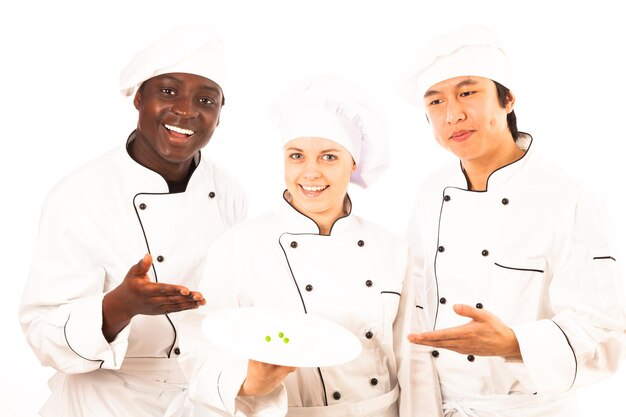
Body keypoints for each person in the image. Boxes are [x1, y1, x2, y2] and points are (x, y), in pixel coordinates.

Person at [176, 74, 441, 417]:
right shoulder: (241, 246)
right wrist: (246, 382)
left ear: (354, 163)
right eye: (297, 155)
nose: (310, 173)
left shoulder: (390, 248)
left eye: (329, 157)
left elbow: (414, 358)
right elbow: (201, 347)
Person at [394, 25, 626, 416]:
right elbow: (413, 303)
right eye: (435, 102)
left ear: (508, 99)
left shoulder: (569, 198)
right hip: (436, 405)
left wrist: (514, 344)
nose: (453, 114)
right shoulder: (430, 192)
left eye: (468, 93)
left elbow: (604, 328)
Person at [19, 26, 247, 417]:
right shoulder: (79, 195)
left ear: (220, 115)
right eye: (169, 91)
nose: (186, 110)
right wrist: (118, 306)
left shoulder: (227, 189)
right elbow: (41, 333)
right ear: (139, 97)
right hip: (104, 400)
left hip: (201, 396)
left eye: (206, 99)